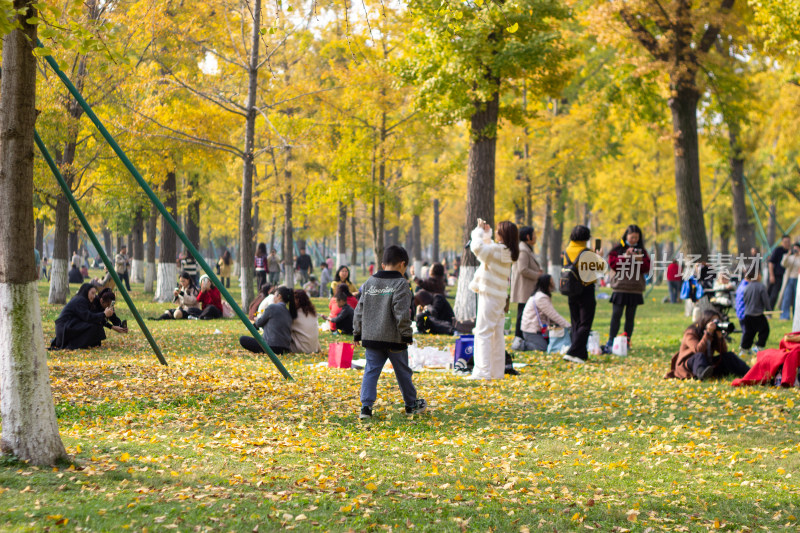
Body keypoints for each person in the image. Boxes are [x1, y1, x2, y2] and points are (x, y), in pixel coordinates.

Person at [353, 245, 426, 419]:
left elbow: (359, 309)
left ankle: (366, 408)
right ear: (402, 264)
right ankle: (410, 404)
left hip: (371, 338)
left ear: (383, 263)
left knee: (371, 371)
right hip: (395, 339)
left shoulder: (369, 282)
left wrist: (357, 332)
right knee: (402, 372)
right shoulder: (401, 284)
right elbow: (402, 313)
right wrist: (406, 334)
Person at [467, 219, 519, 380]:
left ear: (502, 234)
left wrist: (478, 231)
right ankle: (496, 372)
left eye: (497, 230)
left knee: (483, 332)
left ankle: (482, 372)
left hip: (489, 295)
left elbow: (477, 248)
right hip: (499, 297)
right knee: (497, 335)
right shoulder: (507, 252)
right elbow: (487, 251)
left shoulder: (496, 250)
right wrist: (487, 234)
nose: (496, 232)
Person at [603, 225, 650, 353]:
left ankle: (627, 341)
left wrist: (640, 260)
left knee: (630, 317)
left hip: (635, 289)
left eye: (636, 237)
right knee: (616, 315)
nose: (634, 239)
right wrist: (626, 256)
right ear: (626, 236)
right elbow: (613, 264)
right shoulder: (618, 249)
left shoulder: (642, 251)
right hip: (619, 287)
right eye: (632, 237)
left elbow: (647, 268)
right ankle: (611, 340)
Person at [665, 310, 750, 380]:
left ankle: (749, 372)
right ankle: (702, 374)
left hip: (706, 365)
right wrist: (708, 333)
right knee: (699, 356)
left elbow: (723, 351)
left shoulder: (713, 333)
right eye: (713, 321)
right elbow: (698, 350)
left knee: (729, 356)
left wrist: (720, 338)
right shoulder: (691, 332)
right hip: (688, 365)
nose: (715, 324)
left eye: (717, 321)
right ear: (705, 321)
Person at [562, 225, 598, 364]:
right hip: (586, 290)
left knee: (576, 322)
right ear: (586, 237)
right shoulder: (587, 252)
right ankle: (573, 352)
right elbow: (592, 275)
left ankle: (580, 354)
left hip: (571, 290)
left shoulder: (567, 251)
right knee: (585, 323)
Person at [49, 283, 115, 350]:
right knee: (94, 326)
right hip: (64, 329)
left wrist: (111, 324)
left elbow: (92, 316)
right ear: (86, 292)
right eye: (92, 293)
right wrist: (104, 314)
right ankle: (73, 344)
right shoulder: (80, 300)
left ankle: (88, 344)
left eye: (95, 294)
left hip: (69, 326)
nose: (94, 296)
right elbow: (88, 317)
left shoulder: (84, 300)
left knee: (96, 325)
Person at [510, 226, 543, 350]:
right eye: (533, 234)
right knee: (522, 313)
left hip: (527, 287)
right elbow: (523, 269)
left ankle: (520, 338)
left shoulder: (526, 249)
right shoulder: (523, 250)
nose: (535, 237)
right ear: (528, 236)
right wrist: (538, 275)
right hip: (524, 288)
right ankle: (518, 338)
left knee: (523, 312)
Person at [520, 274, 570, 352]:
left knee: (551, 345)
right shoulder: (541, 298)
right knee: (542, 348)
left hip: (539, 330)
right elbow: (553, 315)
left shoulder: (541, 295)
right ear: (547, 284)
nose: (554, 284)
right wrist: (568, 325)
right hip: (531, 331)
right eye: (552, 282)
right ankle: (522, 344)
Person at [239, 286, 295, 355]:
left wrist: (256, 322)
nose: (273, 297)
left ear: (279, 296)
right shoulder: (289, 312)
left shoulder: (272, 307)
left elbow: (259, 323)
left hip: (271, 347)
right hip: (285, 348)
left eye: (275, 295)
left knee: (243, 339)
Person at [740, 268, 770, 354]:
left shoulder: (747, 287)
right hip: (757, 315)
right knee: (764, 330)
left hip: (748, 314)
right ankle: (759, 346)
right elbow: (765, 299)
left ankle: (744, 349)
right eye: (760, 274)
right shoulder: (761, 286)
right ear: (756, 276)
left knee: (749, 333)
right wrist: (768, 308)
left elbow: (744, 300)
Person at [768, 235, 791, 310]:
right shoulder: (778, 250)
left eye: (788, 242)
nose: (787, 243)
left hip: (789, 277)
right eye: (785, 242)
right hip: (777, 276)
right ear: (782, 242)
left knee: (786, 294)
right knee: (773, 294)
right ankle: (769, 311)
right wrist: (771, 275)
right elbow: (771, 263)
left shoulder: (792, 251)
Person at [780, 242, 800, 320]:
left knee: (797, 299)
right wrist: (788, 254)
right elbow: (783, 264)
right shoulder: (789, 257)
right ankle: (785, 315)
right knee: (787, 298)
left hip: (798, 280)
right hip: (790, 279)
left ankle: (797, 315)